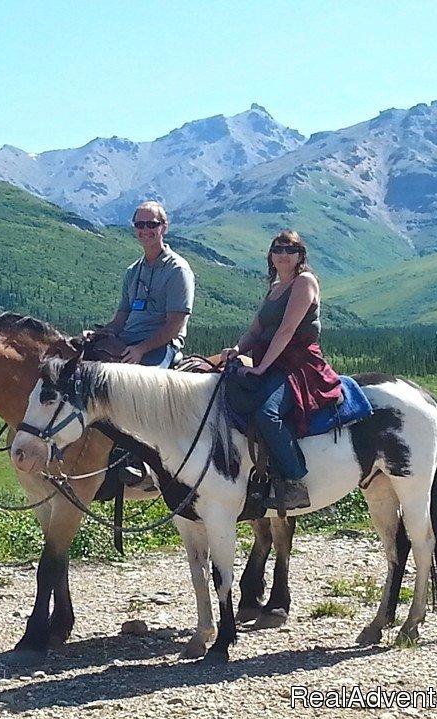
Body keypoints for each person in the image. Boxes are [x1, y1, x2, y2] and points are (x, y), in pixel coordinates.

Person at [221, 230, 341, 510]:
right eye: (278, 249)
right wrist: (238, 350)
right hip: (270, 362)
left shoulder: (304, 282)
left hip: (297, 365)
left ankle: (296, 481)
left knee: (267, 414)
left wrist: (261, 367)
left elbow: (287, 330)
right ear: (271, 255)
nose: (283, 255)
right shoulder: (274, 289)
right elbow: (256, 330)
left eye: (291, 250)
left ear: (301, 255)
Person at [96, 200, 195, 368]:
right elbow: (121, 318)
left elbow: (175, 325)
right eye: (140, 225)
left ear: (164, 227)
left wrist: (141, 349)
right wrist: (97, 335)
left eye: (152, 224)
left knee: (141, 386)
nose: (145, 230)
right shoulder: (133, 271)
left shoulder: (178, 270)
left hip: (161, 347)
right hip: (127, 342)